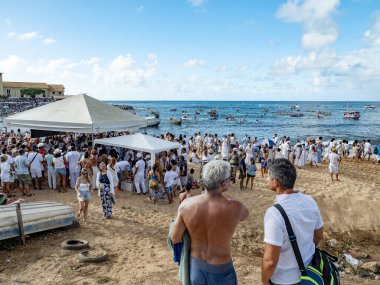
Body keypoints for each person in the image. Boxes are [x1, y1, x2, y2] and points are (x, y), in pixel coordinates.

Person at [171, 160, 249, 285]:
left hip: (196, 265)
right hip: (221, 269)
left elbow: (175, 238)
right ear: (223, 184)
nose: (230, 180)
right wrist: (227, 196)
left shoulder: (186, 205)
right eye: (229, 178)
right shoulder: (236, 207)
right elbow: (245, 215)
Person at [262, 158, 323, 285]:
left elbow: (270, 261)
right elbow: (318, 236)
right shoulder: (310, 201)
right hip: (308, 272)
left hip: (284, 279)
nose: (266, 179)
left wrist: (264, 281)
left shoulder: (274, 213)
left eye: (268, 175)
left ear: (276, 182)